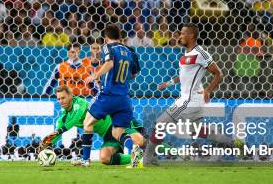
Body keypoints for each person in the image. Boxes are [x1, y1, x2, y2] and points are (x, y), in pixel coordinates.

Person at [143, 24, 239, 166]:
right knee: (197, 131)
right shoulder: (185, 55)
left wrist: (208, 90)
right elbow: (183, 76)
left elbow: (218, 73)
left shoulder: (201, 53)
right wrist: (168, 84)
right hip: (191, 101)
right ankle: (230, 142)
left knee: (160, 124)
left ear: (191, 36)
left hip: (189, 101)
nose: (179, 36)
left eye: (182, 34)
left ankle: (146, 160)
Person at [81, 24, 142, 167]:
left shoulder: (108, 47)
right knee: (118, 132)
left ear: (106, 38)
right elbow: (134, 74)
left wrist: (96, 75)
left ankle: (85, 160)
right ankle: (135, 151)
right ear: (120, 36)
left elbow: (109, 63)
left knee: (87, 123)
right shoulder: (130, 51)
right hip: (124, 98)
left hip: (108, 95)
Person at [41, 85, 146, 166]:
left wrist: (60, 131)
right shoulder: (63, 118)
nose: (60, 101)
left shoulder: (79, 103)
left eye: (63, 98)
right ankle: (141, 157)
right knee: (105, 158)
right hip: (107, 135)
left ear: (70, 95)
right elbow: (57, 133)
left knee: (139, 142)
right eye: (58, 99)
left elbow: (74, 119)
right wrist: (47, 143)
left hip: (116, 124)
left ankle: (152, 149)